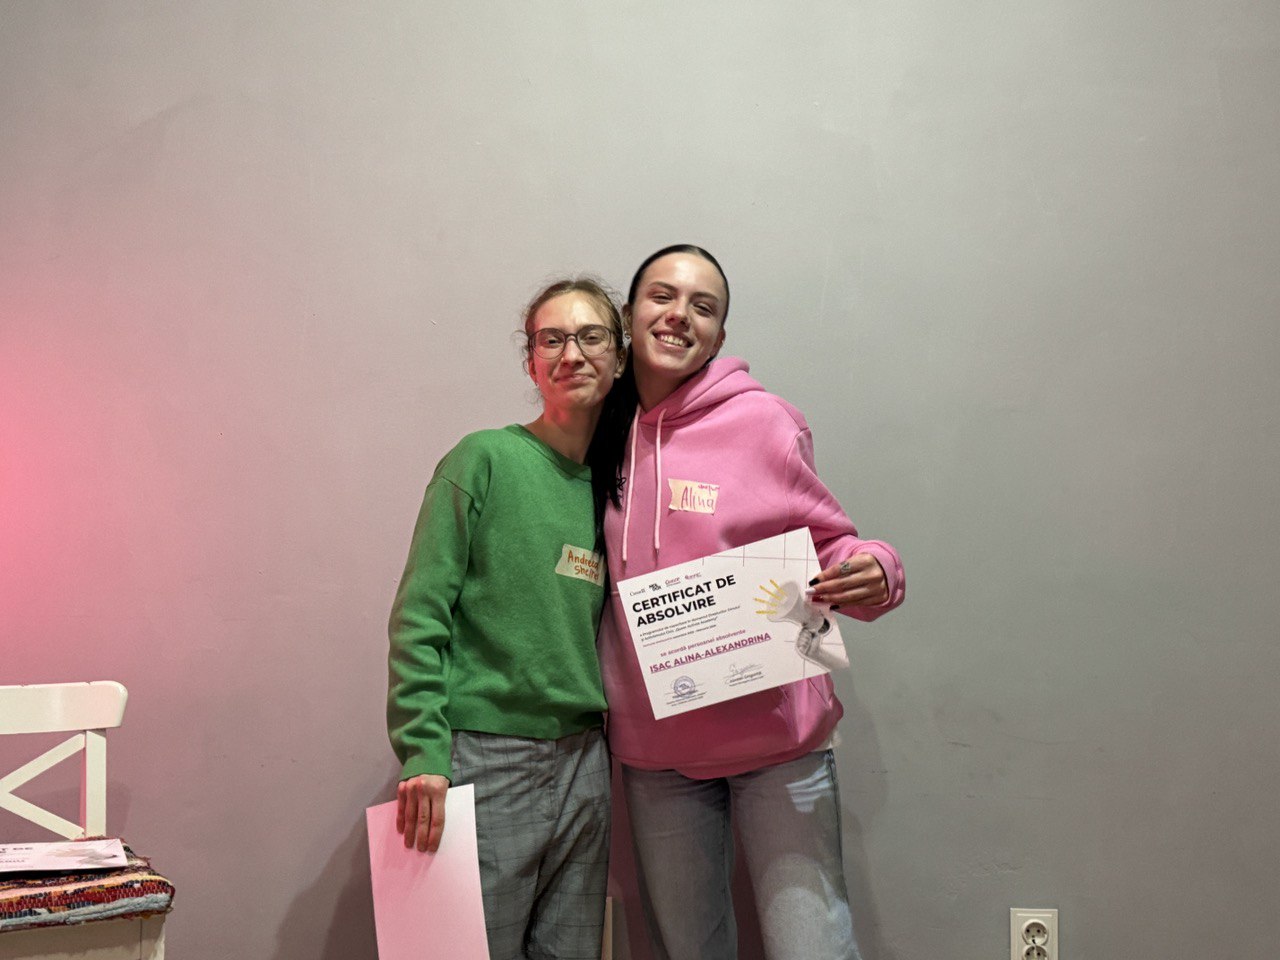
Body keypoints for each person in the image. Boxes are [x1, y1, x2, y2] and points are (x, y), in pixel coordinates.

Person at [596, 245, 906, 960]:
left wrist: (876, 569)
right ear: (629, 314)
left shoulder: (767, 423)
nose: (679, 315)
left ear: (719, 337)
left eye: (702, 306)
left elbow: (834, 545)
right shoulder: (598, 432)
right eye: (662, 296)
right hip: (656, 752)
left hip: (779, 742)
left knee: (813, 949)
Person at [387, 277, 627, 960]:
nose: (571, 354)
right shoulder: (483, 459)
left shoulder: (620, 491)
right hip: (484, 756)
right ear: (531, 362)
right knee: (462, 950)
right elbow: (420, 614)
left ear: (619, 357)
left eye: (590, 337)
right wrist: (422, 749)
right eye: (551, 339)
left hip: (586, 762)